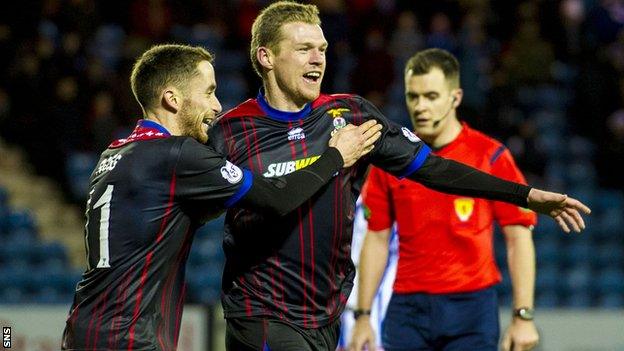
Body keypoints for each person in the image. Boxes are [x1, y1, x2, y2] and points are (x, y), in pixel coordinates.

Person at [209, 2, 590, 350]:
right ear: (267, 56)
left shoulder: (352, 116)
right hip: (260, 311)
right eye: (304, 49)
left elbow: (435, 169)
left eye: (322, 49)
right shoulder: (231, 132)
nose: (318, 59)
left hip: (324, 317)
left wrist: (524, 195)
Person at [60, 43, 382, 351]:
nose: (217, 106)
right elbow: (275, 198)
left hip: (83, 326)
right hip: (130, 337)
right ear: (172, 98)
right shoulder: (177, 155)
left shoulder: (114, 154)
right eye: (209, 92)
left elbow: (171, 219)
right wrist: (336, 157)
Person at [348, 48, 541, 351]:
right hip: (406, 310)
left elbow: (518, 237)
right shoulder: (392, 161)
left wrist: (523, 315)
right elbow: (376, 239)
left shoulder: (490, 156)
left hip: (472, 308)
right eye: (414, 97)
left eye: (431, 96)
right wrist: (363, 316)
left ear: (456, 97)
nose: (421, 107)